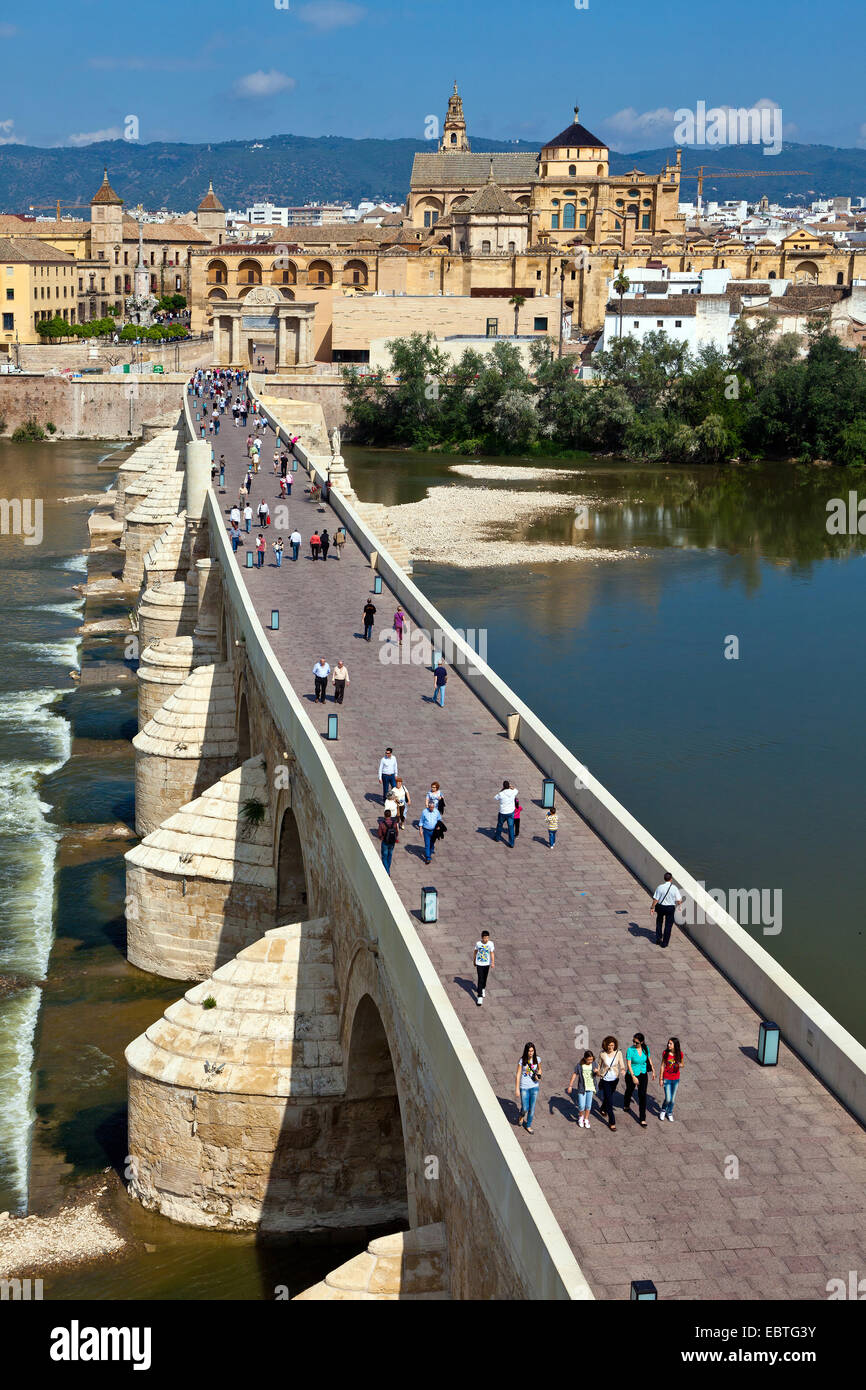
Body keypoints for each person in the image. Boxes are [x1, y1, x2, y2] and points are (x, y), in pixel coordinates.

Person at [623, 1032, 655, 1127]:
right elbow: (628, 1064)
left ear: (642, 1042)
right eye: (633, 1041)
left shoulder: (646, 1048)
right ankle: (626, 1103)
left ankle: (642, 1118)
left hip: (643, 1074)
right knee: (629, 1090)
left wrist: (653, 1070)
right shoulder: (630, 1050)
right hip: (632, 1074)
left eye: (636, 1042)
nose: (634, 1044)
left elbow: (649, 1059)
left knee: (642, 1095)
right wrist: (633, 1077)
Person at [597, 1037, 624, 1131]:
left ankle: (602, 1108)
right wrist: (597, 1072)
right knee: (610, 1101)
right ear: (606, 1045)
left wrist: (623, 1070)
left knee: (608, 1096)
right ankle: (612, 1122)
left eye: (612, 1045)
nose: (610, 1047)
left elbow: (622, 1064)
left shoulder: (618, 1053)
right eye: (609, 1045)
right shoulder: (602, 1054)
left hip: (615, 1079)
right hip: (605, 1079)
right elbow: (599, 1065)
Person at [566, 1051, 598, 1129]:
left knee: (588, 1105)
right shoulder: (580, 1065)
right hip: (582, 1088)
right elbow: (574, 1075)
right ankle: (581, 1117)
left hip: (590, 1087)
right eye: (589, 1060)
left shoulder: (594, 1064)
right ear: (585, 1058)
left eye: (591, 1059)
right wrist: (570, 1086)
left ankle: (586, 1119)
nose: (590, 1061)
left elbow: (598, 1074)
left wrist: (597, 1072)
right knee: (581, 1105)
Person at [515, 1043, 542, 1134]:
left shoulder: (537, 1059)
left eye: (532, 1051)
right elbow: (518, 1074)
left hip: (534, 1086)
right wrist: (517, 1088)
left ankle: (528, 1125)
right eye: (529, 1051)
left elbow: (539, 1069)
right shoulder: (522, 1061)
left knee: (532, 1108)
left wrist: (539, 1075)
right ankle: (521, 1115)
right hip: (524, 1087)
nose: (531, 1053)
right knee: (525, 1108)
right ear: (526, 1051)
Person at [652, 872, 684, 948]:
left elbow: (655, 899)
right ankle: (665, 943)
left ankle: (658, 939)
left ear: (664, 878)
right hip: (670, 908)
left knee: (659, 922)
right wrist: (680, 906)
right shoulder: (674, 888)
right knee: (668, 926)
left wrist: (652, 907)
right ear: (671, 879)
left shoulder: (660, 887)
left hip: (661, 907)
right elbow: (679, 900)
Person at [659, 1037, 684, 1122]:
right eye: (668, 1043)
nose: (668, 1045)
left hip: (676, 1078)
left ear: (675, 1045)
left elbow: (682, 1064)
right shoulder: (665, 1053)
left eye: (670, 1044)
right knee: (668, 1098)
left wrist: (680, 1065)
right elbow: (662, 1065)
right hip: (667, 1078)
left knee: (673, 1099)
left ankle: (669, 1112)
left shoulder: (679, 1054)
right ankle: (663, 1109)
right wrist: (661, 1078)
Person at [494, 780, 518, 848]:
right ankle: (511, 843)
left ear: (503, 786)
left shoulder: (501, 794)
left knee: (500, 824)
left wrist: (502, 790)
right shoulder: (513, 792)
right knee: (510, 827)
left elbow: (495, 798)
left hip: (503, 812)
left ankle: (497, 838)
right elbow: (516, 790)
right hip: (510, 812)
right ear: (509, 786)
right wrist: (512, 787)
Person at [473, 930, 494, 1006]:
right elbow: (475, 951)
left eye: (487, 938)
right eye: (485, 938)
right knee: (480, 978)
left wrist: (492, 962)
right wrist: (474, 960)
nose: (486, 939)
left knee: (485, 978)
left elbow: (491, 953)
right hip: (479, 963)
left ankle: (483, 988)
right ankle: (480, 996)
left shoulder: (491, 944)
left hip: (487, 964)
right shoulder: (478, 944)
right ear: (482, 938)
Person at [377, 809, 399, 877]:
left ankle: (387, 872)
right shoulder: (394, 823)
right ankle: (388, 869)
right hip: (392, 842)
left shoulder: (382, 824)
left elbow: (379, 834)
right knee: (390, 855)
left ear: (384, 815)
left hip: (385, 842)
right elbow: (397, 832)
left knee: (384, 857)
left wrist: (382, 838)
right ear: (390, 815)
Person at [418, 799, 440, 864]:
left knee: (432, 843)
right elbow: (421, 821)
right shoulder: (424, 812)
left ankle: (431, 850)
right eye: (430, 807)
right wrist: (420, 830)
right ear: (428, 807)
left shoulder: (436, 812)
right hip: (426, 831)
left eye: (433, 807)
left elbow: (439, 820)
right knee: (427, 844)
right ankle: (428, 857)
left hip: (434, 831)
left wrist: (439, 827)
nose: (432, 809)